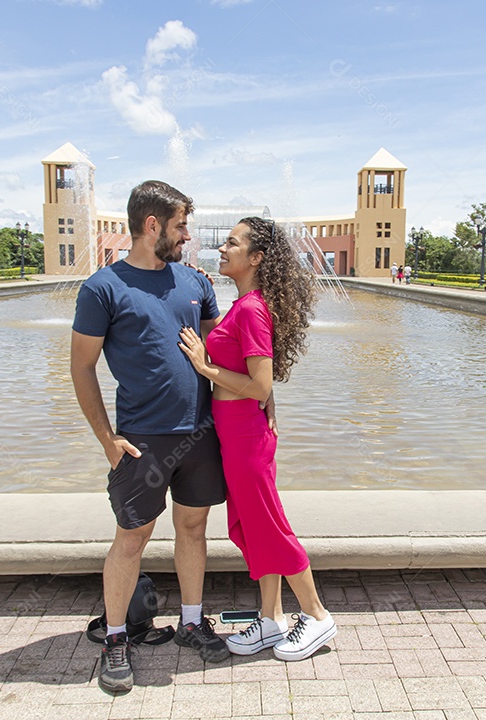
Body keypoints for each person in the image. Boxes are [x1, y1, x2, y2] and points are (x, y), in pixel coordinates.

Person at [70, 180, 231, 694]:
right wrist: (106, 439)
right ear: (153, 225)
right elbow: (81, 368)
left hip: (200, 432)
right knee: (132, 537)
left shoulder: (195, 283)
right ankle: (117, 637)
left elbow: (220, 351)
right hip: (141, 437)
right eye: (182, 225)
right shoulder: (103, 288)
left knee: (193, 529)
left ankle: (189, 620)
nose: (188, 235)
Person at [178, 217, 337, 662]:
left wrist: (204, 366)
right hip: (235, 432)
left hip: (246, 435)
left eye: (232, 243)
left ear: (257, 257)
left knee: (269, 526)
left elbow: (260, 384)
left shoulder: (251, 309)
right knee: (251, 527)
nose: (222, 248)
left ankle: (318, 615)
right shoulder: (244, 303)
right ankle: (271, 620)